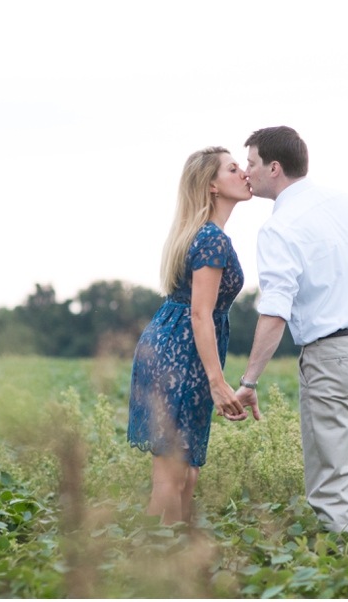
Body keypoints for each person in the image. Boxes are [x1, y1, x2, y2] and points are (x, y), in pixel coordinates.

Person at [234, 126, 348, 535]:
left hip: (333, 355)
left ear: (274, 167)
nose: (246, 172)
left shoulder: (279, 226)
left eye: (250, 164)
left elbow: (275, 310)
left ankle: (345, 577)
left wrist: (249, 379)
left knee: (332, 477)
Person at [128, 146, 261, 525]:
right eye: (234, 169)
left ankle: (176, 560)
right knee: (172, 475)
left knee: (185, 474)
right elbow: (201, 314)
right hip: (180, 354)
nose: (244, 174)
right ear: (212, 186)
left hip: (175, 347)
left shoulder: (203, 234)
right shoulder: (211, 240)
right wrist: (218, 382)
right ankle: (149, 563)